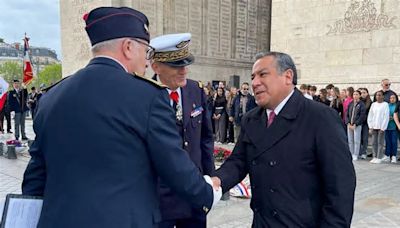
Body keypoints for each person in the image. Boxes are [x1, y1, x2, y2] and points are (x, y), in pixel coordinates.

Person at [22, 7, 220, 228]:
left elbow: (34, 180)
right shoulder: (148, 96)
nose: (147, 62)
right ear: (128, 47)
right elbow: (174, 165)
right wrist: (207, 194)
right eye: (146, 52)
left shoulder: (51, 97)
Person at [211, 51, 356, 227]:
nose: (255, 82)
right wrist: (216, 181)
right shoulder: (251, 119)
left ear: (288, 76)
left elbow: (340, 186)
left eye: (263, 74)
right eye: (253, 76)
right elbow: (239, 161)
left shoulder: (321, 118)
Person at [150, 33, 215, 228]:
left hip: (194, 194)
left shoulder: (195, 90)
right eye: (176, 65)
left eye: (185, 64)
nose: (184, 71)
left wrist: (209, 179)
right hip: (160, 198)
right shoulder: (146, 95)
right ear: (156, 67)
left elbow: (205, 138)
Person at [367, 90, 389, 164]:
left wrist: (383, 127)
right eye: (377, 95)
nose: (378, 96)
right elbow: (370, 115)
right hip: (374, 126)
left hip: (381, 127)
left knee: (380, 142)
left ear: (383, 96)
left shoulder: (385, 104)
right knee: (374, 142)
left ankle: (379, 157)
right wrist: (370, 126)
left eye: (379, 95)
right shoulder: (373, 104)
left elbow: (386, 117)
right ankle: (375, 156)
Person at [345, 90, 366, 161]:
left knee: (356, 140)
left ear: (359, 95)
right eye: (354, 94)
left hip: (357, 125)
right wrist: (347, 123)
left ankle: (355, 154)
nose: (355, 96)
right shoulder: (351, 103)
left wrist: (356, 124)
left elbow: (362, 116)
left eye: (357, 94)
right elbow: (346, 114)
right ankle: (351, 153)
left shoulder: (362, 104)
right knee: (350, 140)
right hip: (349, 125)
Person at [381, 94, 398, 163]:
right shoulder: (387, 105)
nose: (392, 99)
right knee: (388, 142)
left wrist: (394, 118)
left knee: (394, 142)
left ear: (396, 99)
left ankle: (393, 156)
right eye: (391, 98)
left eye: (393, 98)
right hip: (387, 126)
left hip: (394, 127)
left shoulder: (397, 106)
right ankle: (387, 155)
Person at [359, 88, 372, 159]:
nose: (363, 94)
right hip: (359, 122)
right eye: (361, 93)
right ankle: (360, 152)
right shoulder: (359, 101)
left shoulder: (370, 102)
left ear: (367, 93)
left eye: (364, 92)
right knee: (359, 138)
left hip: (366, 123)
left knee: (365, 138)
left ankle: (364, 152)